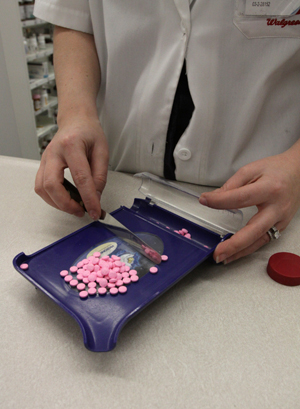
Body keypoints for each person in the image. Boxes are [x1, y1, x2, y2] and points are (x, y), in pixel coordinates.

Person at [33, 0, 300, 264]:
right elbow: (74, 20)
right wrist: (75, 115)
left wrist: (295, 165)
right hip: (119, 185)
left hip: (263, 201)